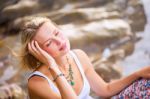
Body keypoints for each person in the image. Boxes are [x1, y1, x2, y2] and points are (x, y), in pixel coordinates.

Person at [19, 16, 150, 99]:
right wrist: (52, 65)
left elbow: (105, 89)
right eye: (49, 43)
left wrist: (138, 74)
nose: (59, 41)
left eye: (56, 33)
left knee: (146, 84)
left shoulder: (78, 56)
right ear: (38, 52)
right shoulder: (37, 83)